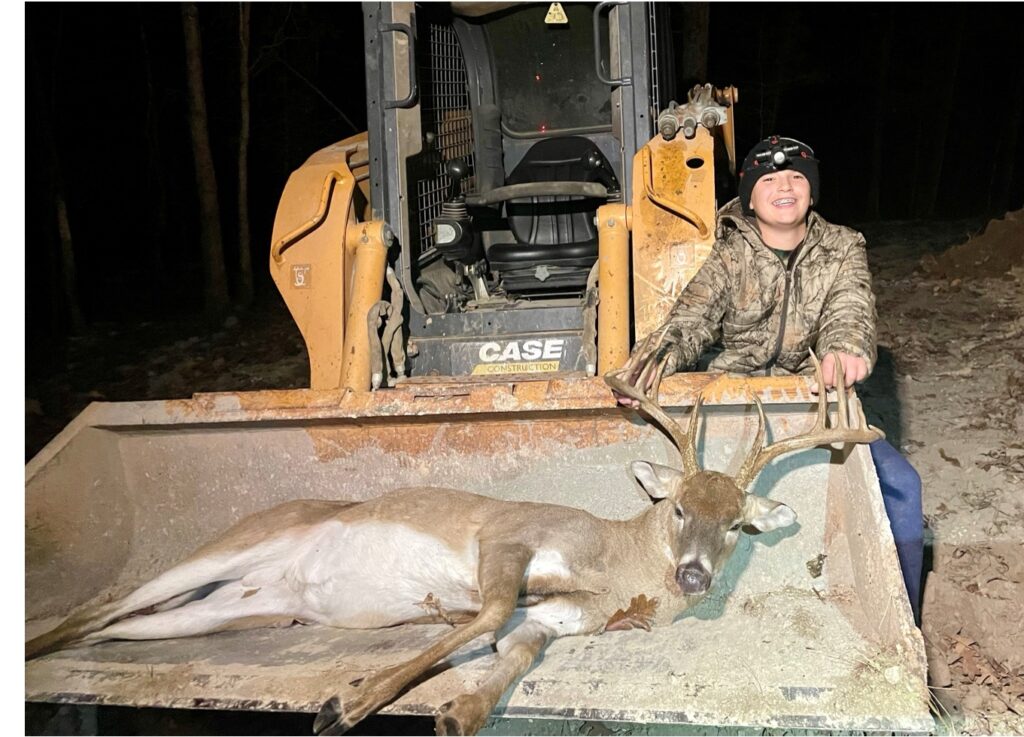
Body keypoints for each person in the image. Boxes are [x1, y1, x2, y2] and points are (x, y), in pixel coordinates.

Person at [614, 135, 923, 623]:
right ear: (750, 199)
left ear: (812, 192)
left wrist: (845, 350)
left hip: (808, 399)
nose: (785, 187)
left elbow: (850, 308)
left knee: (902, 489)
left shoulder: (843, 248)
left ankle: (899, 624)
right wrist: (657, 359)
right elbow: (692, 317)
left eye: (797, 177)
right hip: (729, 400)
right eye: (770, 180)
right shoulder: (730, 252)